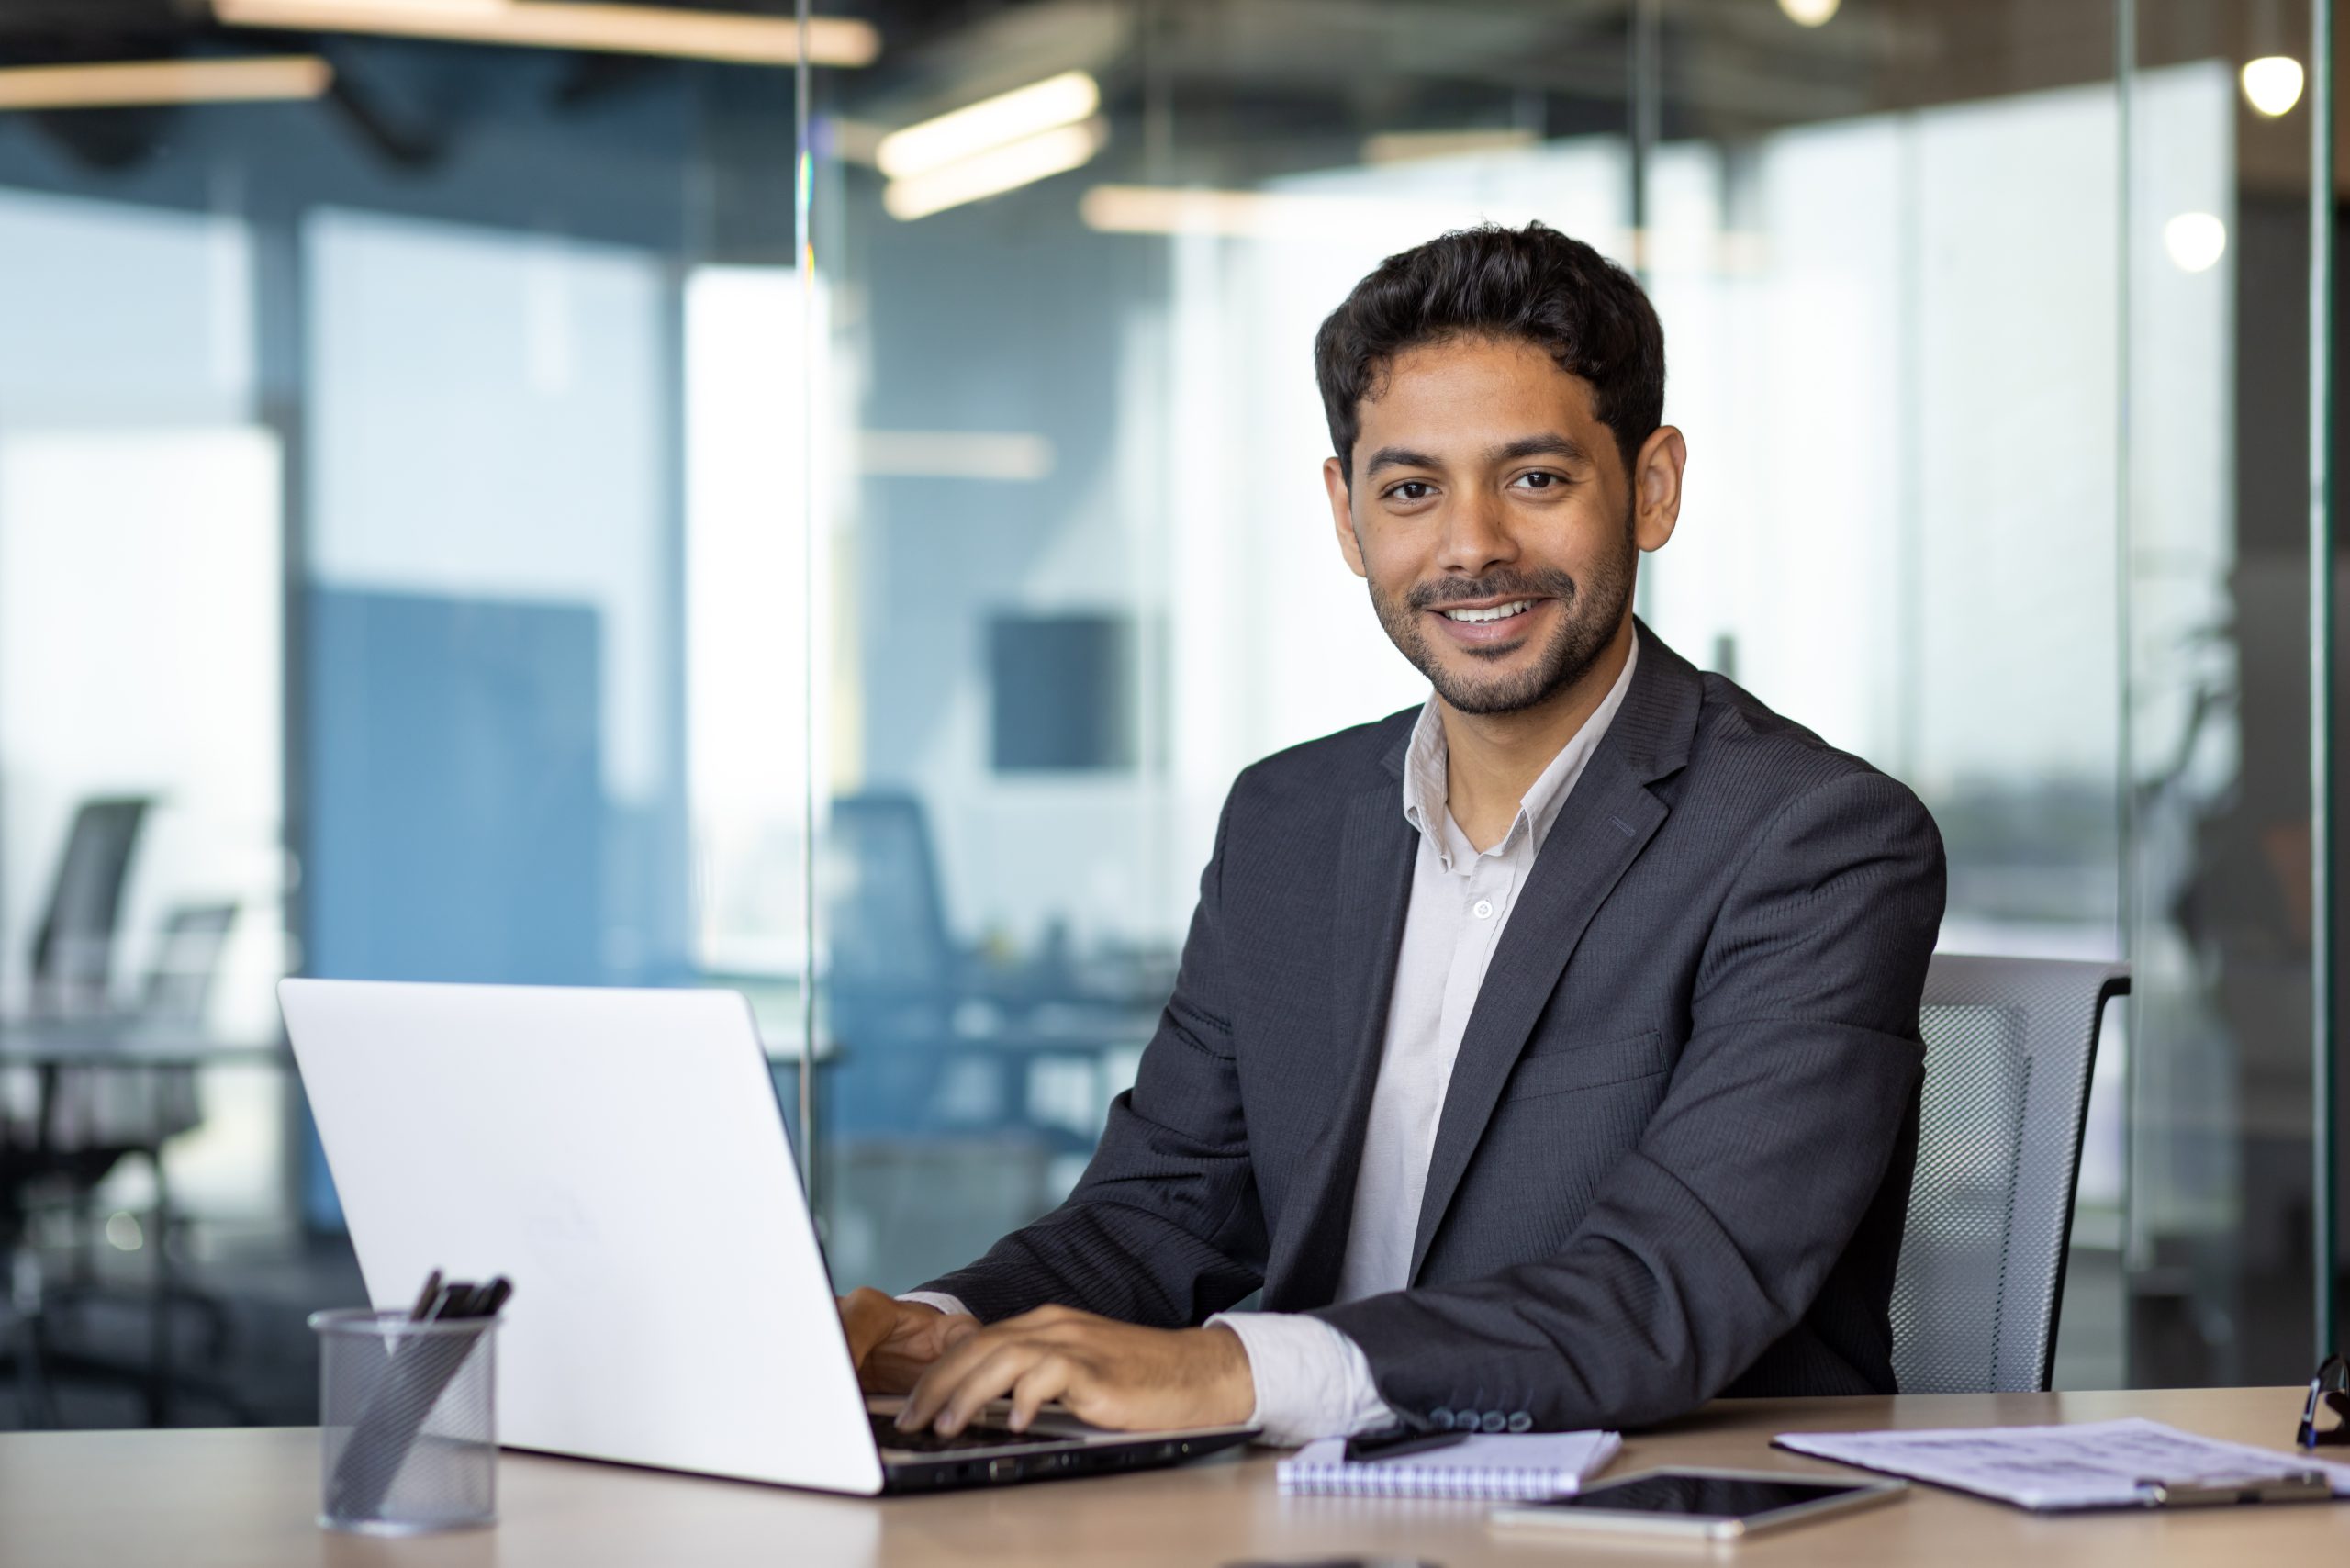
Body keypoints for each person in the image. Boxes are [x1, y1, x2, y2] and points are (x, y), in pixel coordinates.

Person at [837, 221, 1946, 1447]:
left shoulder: (1814, 843)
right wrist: (937, 1325)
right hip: (1319, 1513)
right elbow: (1161, 1216)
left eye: (1535, 478)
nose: (1471, 545)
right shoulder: (1287, 825)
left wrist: (1228, 1374)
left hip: (1653, 1514)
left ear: (1653, 486)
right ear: (1348, 514)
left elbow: (1667, 1294)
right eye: (1412, 489)